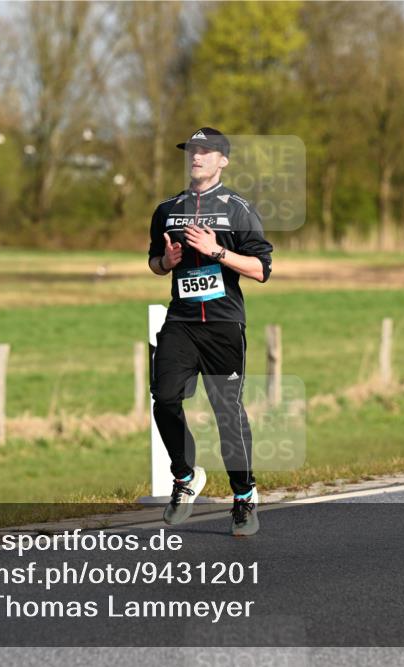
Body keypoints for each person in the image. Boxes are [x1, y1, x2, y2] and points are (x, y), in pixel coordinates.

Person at [147, 127, 273, 537]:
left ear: (223, 160)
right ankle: (185, 477)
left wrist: (219, 251)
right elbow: (153, 263)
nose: (196, 156)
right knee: (164, 399)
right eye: (192, 150)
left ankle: (243, 497)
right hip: (181, 322)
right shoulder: (167, 209)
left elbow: (261, 270)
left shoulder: (239, 210)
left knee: (227, 415)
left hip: (223, 325)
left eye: (205, 151)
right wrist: (165, 261)